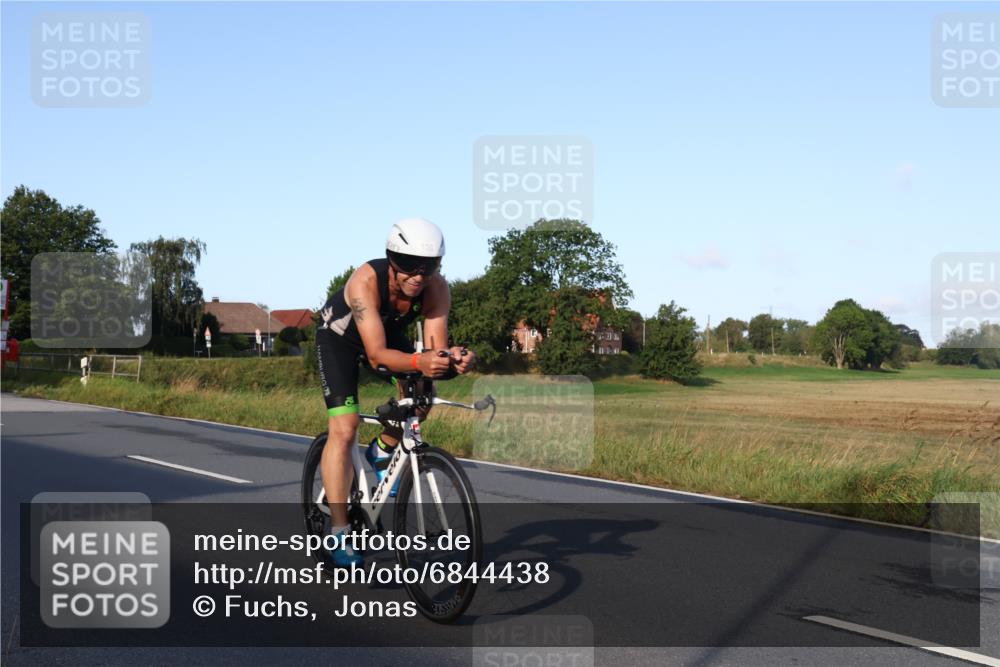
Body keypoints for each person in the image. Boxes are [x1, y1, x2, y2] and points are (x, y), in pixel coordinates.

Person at [315, 218, 476, 567]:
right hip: (340, 340)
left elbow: (434, 351)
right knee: (344, 429)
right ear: (392, 259)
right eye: (409, 265)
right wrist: (421, 360)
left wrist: (454, 359)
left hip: (385, 335)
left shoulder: (437, 289)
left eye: (429, 266)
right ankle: (339, 531)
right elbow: (376, 356)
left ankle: (383, 449)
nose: (419, 275)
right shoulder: (365, 282)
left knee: (423, 397)